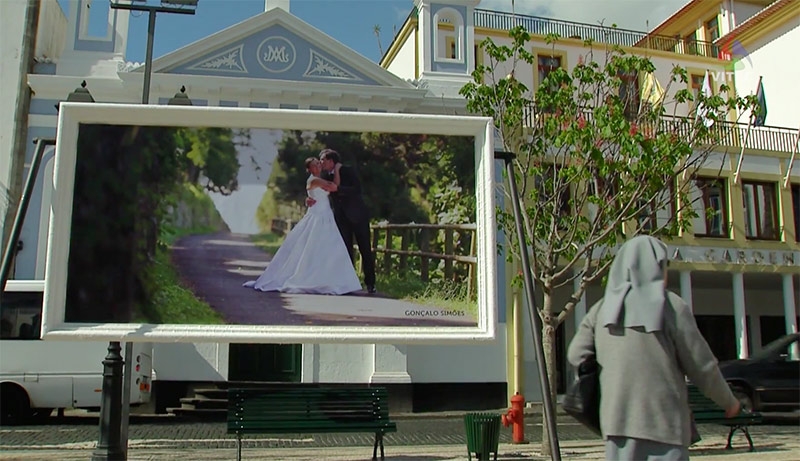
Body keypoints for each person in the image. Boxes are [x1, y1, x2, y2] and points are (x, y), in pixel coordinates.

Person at [567, 235, 740, 461]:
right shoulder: (672, 307)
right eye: (665, 265)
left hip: (616, 422)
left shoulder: (601, 310)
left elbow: (575, 354)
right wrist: (729, 401)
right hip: (664, 423)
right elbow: (702, 366)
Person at [243, 157, 362, 295]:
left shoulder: (319, 179)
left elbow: (329, 189)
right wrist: (336, 170)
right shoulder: (314, 180)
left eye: (318, 164)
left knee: (329, 247)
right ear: (309, 169)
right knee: (313, 245)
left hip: (325, 214)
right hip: (318, 215)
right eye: (314, 165)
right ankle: (311, 278)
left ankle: (330, 278)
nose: (318, 166)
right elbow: (334, 186)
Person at [318, 149, 376, 294]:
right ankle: (348, 283)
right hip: (341, 218)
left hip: (358, 216)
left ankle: (370, 283)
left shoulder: (348, 170)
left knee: (365, 250)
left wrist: (339, 189)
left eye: (323, 160)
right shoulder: (325, 176)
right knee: (345, 250)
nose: (321, 163)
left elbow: (357, 189)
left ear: (331, 161)